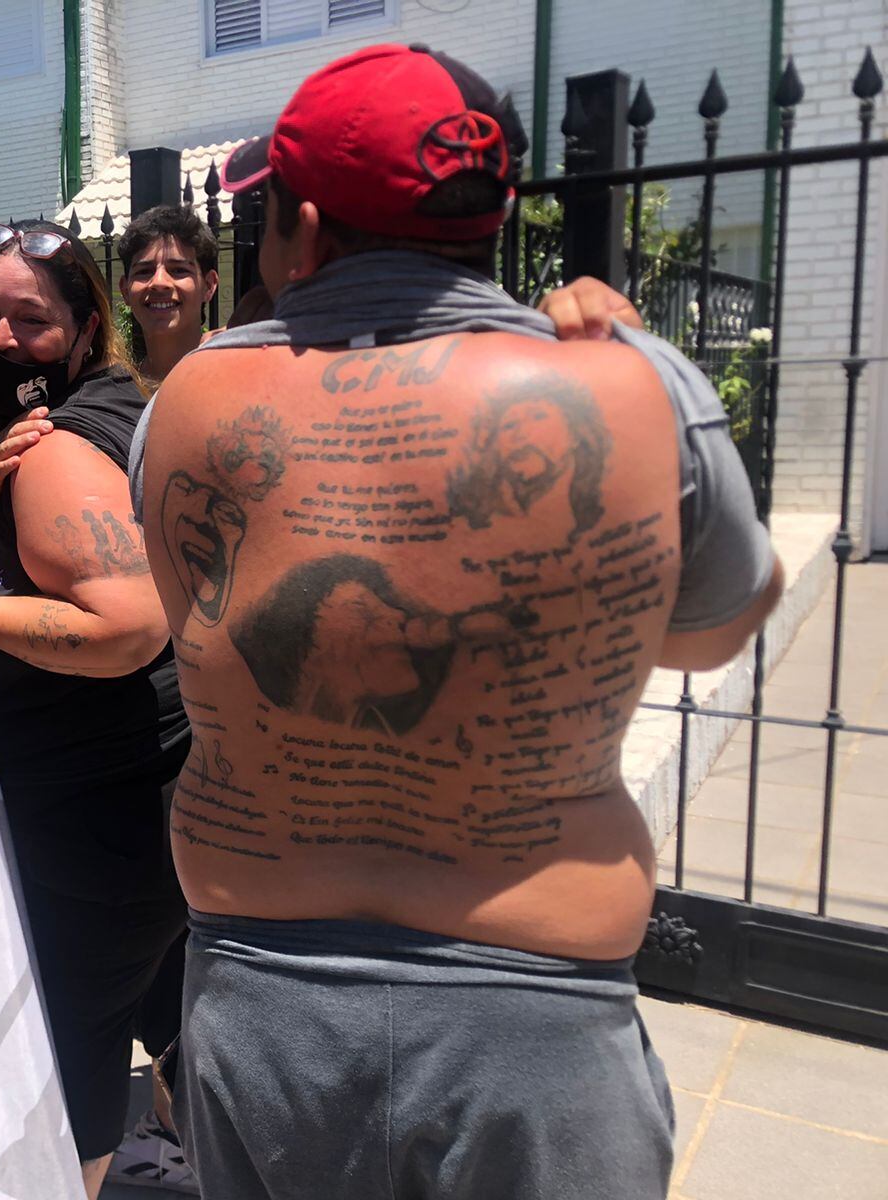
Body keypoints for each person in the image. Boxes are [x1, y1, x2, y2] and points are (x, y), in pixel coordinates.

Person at [140, 45, 783, 1199]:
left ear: (307, 225)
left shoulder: (183, 406)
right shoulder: (635, 386)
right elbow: (705, 635)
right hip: (535, 1018)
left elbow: (198, 629)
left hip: (263, 999)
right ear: (495, 220)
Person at [0, 220, 193, 1198]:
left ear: (88, 328)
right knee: (173, 1011)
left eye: (31, 320)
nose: (1, 339)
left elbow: (128, 628)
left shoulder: (58, 444)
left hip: (101, 802)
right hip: (121, 797)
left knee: (62, 1054)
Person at [118, 206, 220, 384]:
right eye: (144, 271)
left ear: (209, 285)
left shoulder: (234, 380)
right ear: (125, 290)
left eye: (179, 270)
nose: (159, 283)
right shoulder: (109, 398)